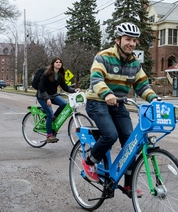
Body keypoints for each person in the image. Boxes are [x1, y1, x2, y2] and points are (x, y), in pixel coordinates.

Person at [83, 22, 158, 196]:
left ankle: (128, 184)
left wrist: (154, 98)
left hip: (118, 104)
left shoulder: (135, 63)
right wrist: (107, 94)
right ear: (118, 39)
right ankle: (89, 162)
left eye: (134, 40)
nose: (131, 43)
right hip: (98, 102)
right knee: (110, 135)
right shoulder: (103, 56)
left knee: (131, 141)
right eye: (128, 39)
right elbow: (96, 79)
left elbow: (142, 85)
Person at [37, 57, 76, 143]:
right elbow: (41, 87)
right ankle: (49, 136)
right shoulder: (47, 73)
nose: (58, 63)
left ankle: (53, 118)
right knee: (49, 114)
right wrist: (47, 98)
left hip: (53, 95)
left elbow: (65, 86)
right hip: (43, 96)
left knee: (64, 104)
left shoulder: (60, 74)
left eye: (60, 62)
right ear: (53, 64)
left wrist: (74, 90)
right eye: (56, 62)